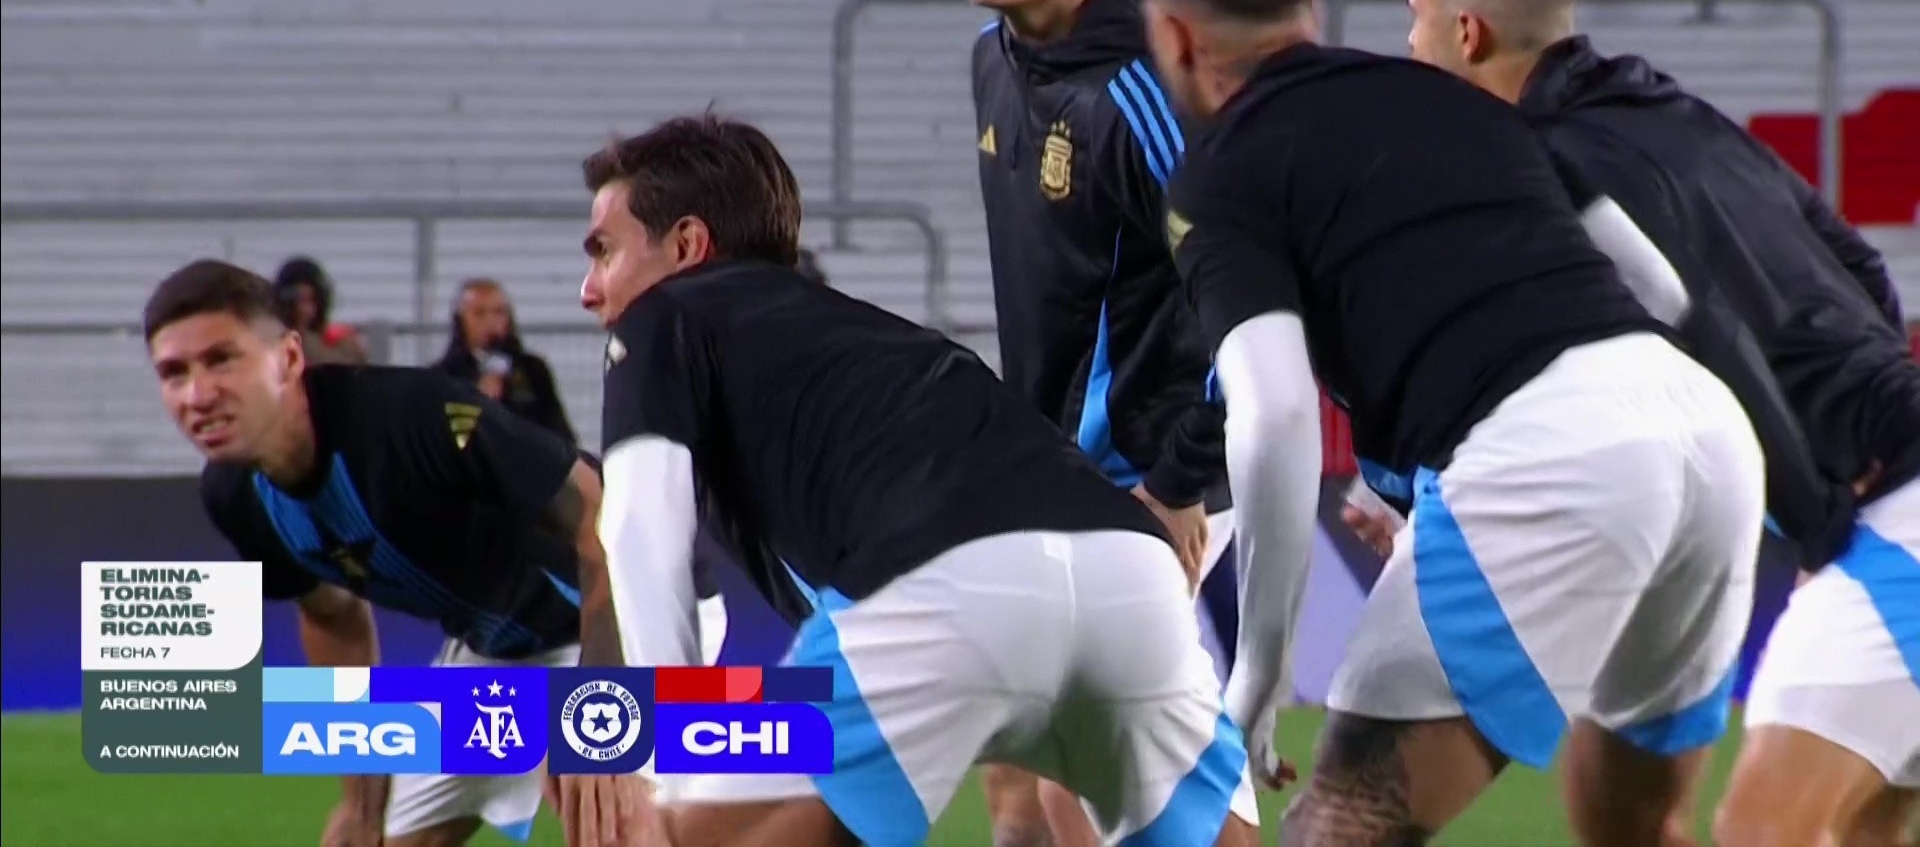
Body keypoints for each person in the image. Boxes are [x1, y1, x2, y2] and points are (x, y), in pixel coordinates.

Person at [1135, 0, 1768, 846]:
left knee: (1343, 821)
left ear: (1176, 37)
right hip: (1705, 435)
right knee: (1632, 825)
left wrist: (1259, 670)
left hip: (1548, 457)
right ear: (1307, 9)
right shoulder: (1462, 101)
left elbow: (1274, 416)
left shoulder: (1219, 172)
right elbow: (1659, 288)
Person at [572, 112, 1259, 847]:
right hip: (1129, 571)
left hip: (941, 590)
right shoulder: (880, 343)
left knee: (673, 836)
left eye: (604, 252)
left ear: (687, 245)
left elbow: (638, 525)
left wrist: (665, 759)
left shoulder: (662, 317)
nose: (589, 290)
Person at [1405, 0, 1920, 847]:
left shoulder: (1542, 168)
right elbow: (1852, 256)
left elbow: (1692, 322)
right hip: (1877, 465)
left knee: (1765, 831)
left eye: (1416, 19)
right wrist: (1870, 406)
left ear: (1466, 33)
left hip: (1893, 511)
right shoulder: (1670, 109)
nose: (1409, 44)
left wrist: (1818, 517)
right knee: (1846, 829)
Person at [144, 259, 625, 847]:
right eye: (173, 373)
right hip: (500, 654)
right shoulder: (235, 497)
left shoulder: (408, 417)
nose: (198, 394)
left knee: (628, 827)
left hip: (624, 615)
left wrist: (601, 703)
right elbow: (335, 621)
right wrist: (361, 803)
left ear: (289, 357)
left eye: (222, 359)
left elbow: (605, 519)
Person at [969, 0, 1236, 845]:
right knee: (1018, 773)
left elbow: (1253, 304)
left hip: (1150, 477)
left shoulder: (1147, 93)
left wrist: (1178, 483)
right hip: (1052, 475)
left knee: (1085, 785)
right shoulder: (992, 58)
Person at [433, 277, 577, 447]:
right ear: (461, 320)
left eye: (499, 312)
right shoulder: (443, 376)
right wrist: (476, 401)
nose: (490, 321)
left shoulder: (533, 370)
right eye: (479, 313)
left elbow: (559, 431)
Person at [275, 256, 370, 366]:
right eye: (296, 301)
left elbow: (342, 365)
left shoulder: (340, 339)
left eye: (309, 300)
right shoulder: (272, 339)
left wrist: (304, 334)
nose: (303, 309)